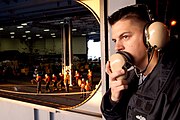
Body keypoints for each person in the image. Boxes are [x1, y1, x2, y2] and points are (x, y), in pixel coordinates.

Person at [101, 4, 180, 120]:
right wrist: (114, 99)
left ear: (150, 37)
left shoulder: (174, 87)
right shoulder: (132, 77)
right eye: (115, 40)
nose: (117, 47)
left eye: (125, 37)